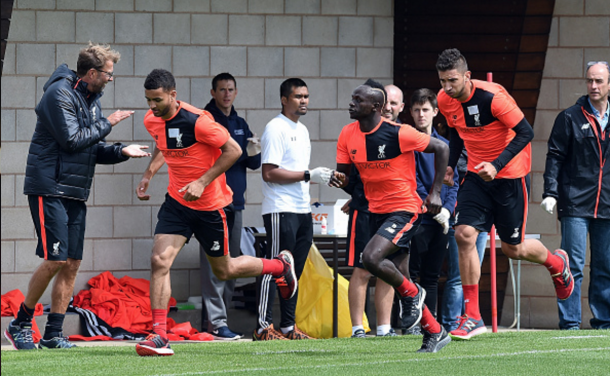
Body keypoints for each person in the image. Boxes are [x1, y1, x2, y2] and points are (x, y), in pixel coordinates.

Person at [135, 69, 297, 356]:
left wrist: (201, 181)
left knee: (225, 270)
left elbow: (233, 151)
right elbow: (165, 145)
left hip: (210, 206)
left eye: (157, 100)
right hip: (177, 202)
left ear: (173, 95)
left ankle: (279, 267)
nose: (152, 106)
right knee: (159, 260)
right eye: (148, 100)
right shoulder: (153, 119)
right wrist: (148, 174)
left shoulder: (200, 121)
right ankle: (159, 335)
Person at [3, 42, 151, 351]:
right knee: (55, 258)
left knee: (71, 263)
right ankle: (20, 323)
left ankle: (53, 334)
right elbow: (72, 140)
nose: (111, 80)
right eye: (108, 74)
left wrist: (121, 151)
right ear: (93, 73)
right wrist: (108, 123)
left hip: (74, 192)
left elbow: (90, 147)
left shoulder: (91, 100)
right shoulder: (59, 94)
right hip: (49, 187)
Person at [436, 48, 574, 340]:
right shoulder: (444, 100)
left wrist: (497, 166)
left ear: (467, 76)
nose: (447, 87)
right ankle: (472, 315)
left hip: (509, 176)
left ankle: (557, 264)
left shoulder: (493, 97)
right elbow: (456, 132)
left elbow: (526, 132)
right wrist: (450, 166)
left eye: (452, 80)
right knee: (463, 234)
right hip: (475, 175)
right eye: (443, 81)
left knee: (514, 249)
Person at [331, 79, 452, 353]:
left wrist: (435, 194)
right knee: (402, 276)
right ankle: (435, 331)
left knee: (371, 258)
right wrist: (340, 181)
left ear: (376, 106)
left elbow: (442, 148)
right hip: (375, 211)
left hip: (405, 209)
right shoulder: (347, 135)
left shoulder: (399, 133)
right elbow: (350, 180)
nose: (351, 104)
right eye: (352, 99)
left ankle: (414, 295)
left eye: (357, 100)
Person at [254, 78, 333, 341]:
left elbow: (298, 173)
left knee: (293, 271)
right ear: (284, 99)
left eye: (306, 96)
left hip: (301, 208)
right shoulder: (276, 128)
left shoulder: (303, 130)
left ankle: (288, 326)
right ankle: (262, 326)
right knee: (275, 266)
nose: (303, 101)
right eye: (298, 96)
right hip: (280, 208)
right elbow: (269, 173)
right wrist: (309, 174)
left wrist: (314, 177)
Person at [542, 61, 610, 330]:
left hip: (607, 204)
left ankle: (604, 322)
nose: (593, 86)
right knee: (573, 267)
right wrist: (550, 192)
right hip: (575, 204)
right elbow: (555, 156)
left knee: (605, 267)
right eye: (589, 81)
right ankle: (570, 323)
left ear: (608, 84)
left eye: (599, 81)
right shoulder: (570, 116)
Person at [198, 73, 261, 340]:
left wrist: (254, 151)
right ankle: (216, 322)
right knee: (214, 265)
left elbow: (253, 164)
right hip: (212, 203)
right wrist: (239, 154)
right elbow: (214, 159)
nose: (226, 94)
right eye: (221, 89)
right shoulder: (204, 121)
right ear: (213, 92)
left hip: (235, 203)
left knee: (231, 265)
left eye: (230, 89)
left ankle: (220, 321)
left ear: (236, 92)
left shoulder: (239, 122)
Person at [408, 89, 459, 323]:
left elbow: (453, 181)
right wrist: (431, 206)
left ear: (435, 112)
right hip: (418, 219)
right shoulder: (408, 146)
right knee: (412, 274)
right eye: (417, 110)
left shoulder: (446, 145)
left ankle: (431, 323)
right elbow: (414, 183)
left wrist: (447, 209)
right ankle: (412, 324)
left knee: (433, 275)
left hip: (442, 221)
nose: (421, 114)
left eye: (425, 109)